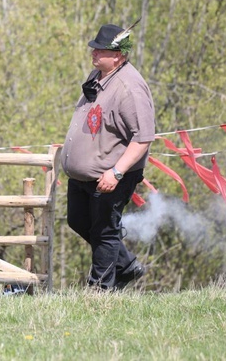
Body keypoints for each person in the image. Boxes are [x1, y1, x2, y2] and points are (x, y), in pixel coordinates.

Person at [61, 20, 155, 291]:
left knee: (105, 231)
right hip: (84, 175)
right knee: (78, 221)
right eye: (94, 48)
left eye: (100, 50)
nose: (93, 53)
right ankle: (125, 266)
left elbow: (143, 138)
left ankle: (100, 290)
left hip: (110, 174)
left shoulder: (130, 88)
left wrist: (116, 172)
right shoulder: (98, 76)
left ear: (118, 55)